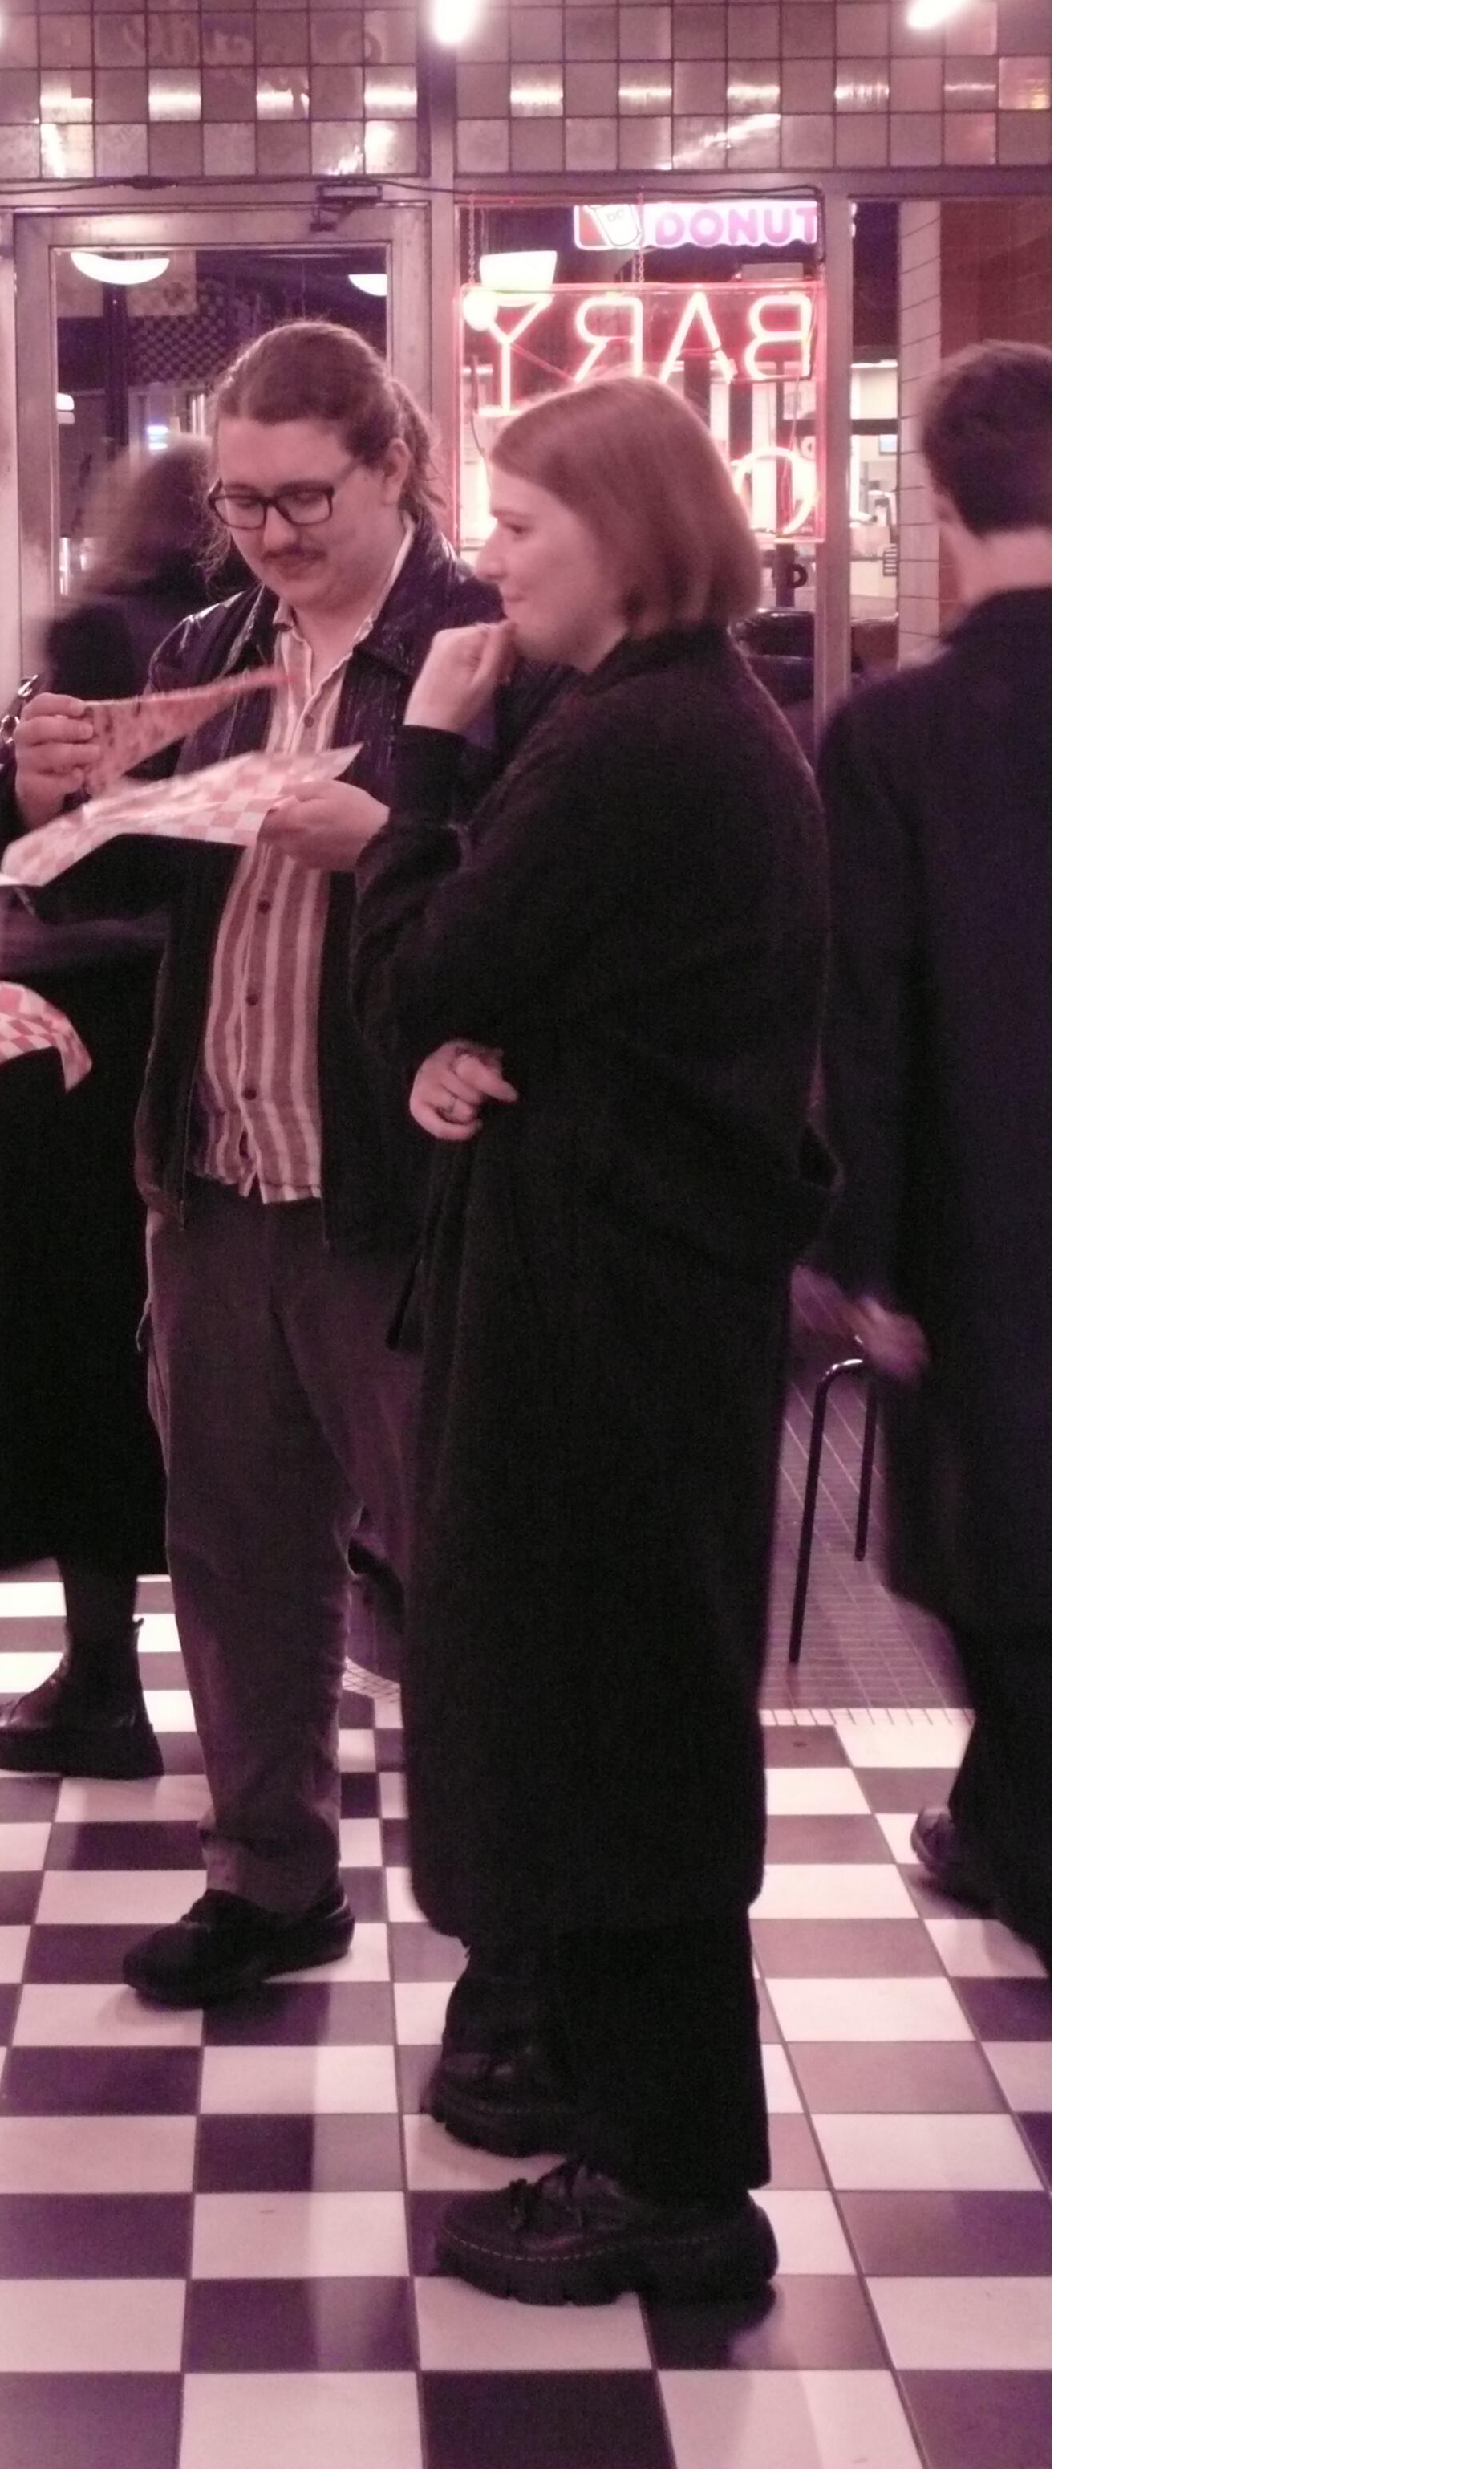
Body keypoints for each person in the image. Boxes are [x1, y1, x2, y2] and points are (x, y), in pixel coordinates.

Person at [0, 320, 539, 2008]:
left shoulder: (487, 650)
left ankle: (511, 1941)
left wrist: (399, 839)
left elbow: (545, 904)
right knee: (234, 1559)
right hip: (218, 1175)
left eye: (303, 500)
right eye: (242, 502)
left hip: (399, 1196)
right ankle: (269, 1877)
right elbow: (105, 887)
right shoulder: (207, 649)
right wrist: (49, 798)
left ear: (394, 468)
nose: (269, 534)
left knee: (460, 1578)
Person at [350, 374, 831, 2306]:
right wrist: (473, 1047)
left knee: (605, 1724)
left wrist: (422, 764)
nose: (491, 562)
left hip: (604, 1314)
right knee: (619, 1718)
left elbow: (427, 964)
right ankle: (630, 2115)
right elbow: (528, 994)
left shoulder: (633, 742)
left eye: (521, 526)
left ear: (623, 539)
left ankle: (668, 2180)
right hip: (647, 1292)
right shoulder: (690, 722)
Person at [816, 340, 1052, 1962]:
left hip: (985, 1234)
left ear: (937, 503)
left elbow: (868, 1023)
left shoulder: (895, 735)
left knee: (1003, 1570)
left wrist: (863, 1258)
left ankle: (1025, 1855)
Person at [0, 441, 213, 1778]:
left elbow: (43, 846)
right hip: (208, 1033)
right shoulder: (260, 654)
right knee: (228, 1368)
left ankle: (103, 1677)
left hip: (78, 1050)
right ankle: (267, 1692)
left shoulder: (101, 635)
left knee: (80, 1359)